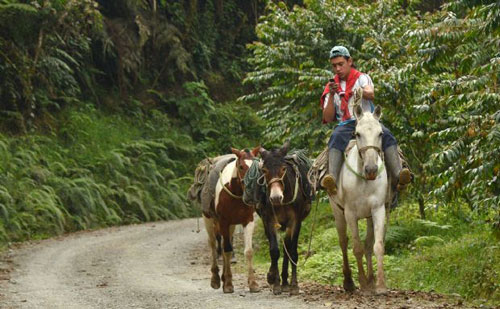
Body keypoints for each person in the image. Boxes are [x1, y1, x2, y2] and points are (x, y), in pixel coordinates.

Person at [319, 45, 411, 197]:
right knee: (335, 137)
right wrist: (331, 93)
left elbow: (370, 93)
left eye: (341, 64)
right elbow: (328, 117)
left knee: (386, 134)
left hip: (367, 121)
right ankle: (332, 179)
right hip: (346, 124)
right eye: (334, 66)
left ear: (350, 62)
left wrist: (358, 91)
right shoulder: (331, 86)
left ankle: (398, 174)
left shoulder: (362, 78)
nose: (337, 69)